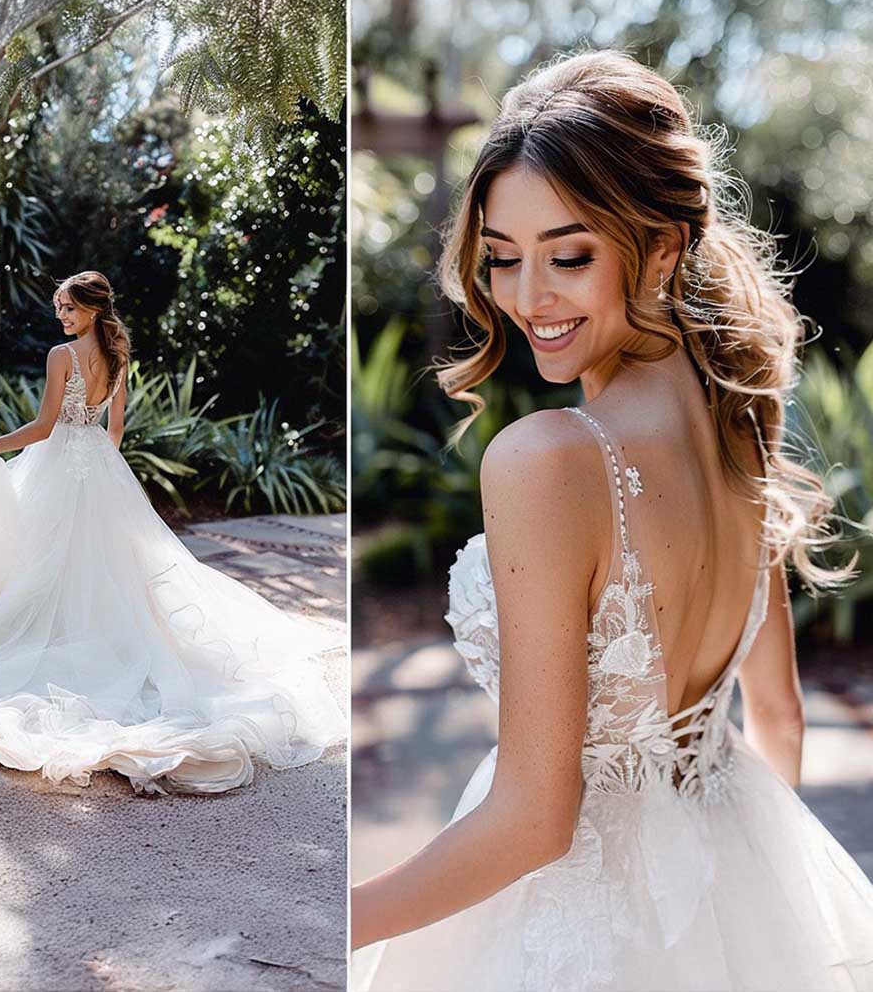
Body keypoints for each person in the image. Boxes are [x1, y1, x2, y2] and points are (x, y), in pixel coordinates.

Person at [351, 51, 873, 990]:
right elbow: (781, 718)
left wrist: (337, 921)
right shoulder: (736, 431)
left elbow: (536, 819)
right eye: (503, 259)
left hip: (569, 929)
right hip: (724, 890)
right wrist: (751, 913)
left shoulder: (549, 459)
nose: (527, 299)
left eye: (571, 254)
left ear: (663, 246)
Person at [0, 270, 344, 795]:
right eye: (60, 309)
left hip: (59, 460)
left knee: (38, 555)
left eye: (68, 308)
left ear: (90, 309)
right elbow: (115, 427)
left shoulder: (61, 357)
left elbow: (43, 428)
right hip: (99, 464)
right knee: (99, 564)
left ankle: (55, 638)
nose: (62, 317)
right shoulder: (116, 356)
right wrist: (100, 470)